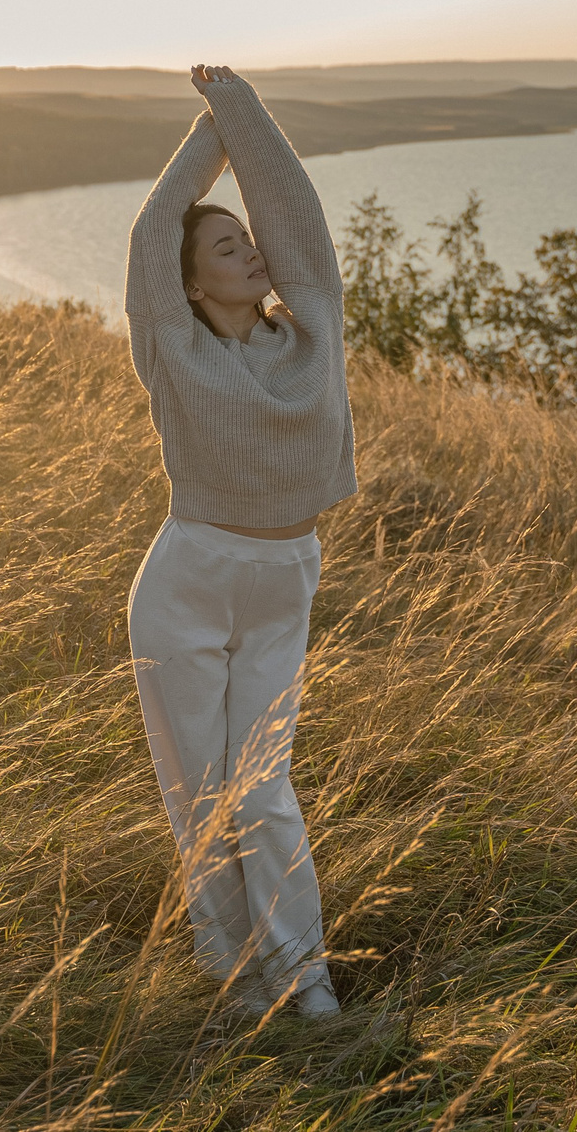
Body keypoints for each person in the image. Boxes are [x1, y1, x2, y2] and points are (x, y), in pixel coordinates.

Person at [123, 63, 356, 1021]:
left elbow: (296, 222)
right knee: (199, 791)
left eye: (247, 239)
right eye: (226, 245)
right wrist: (206, 132)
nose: (251, 251)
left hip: (281, 580)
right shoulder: (173, 349)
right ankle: (229, 976)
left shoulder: (311, 337)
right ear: (187, 278)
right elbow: (152, 230)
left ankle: (305, 983)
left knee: (262, 787)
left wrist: (242, 111)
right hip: (188, 579)